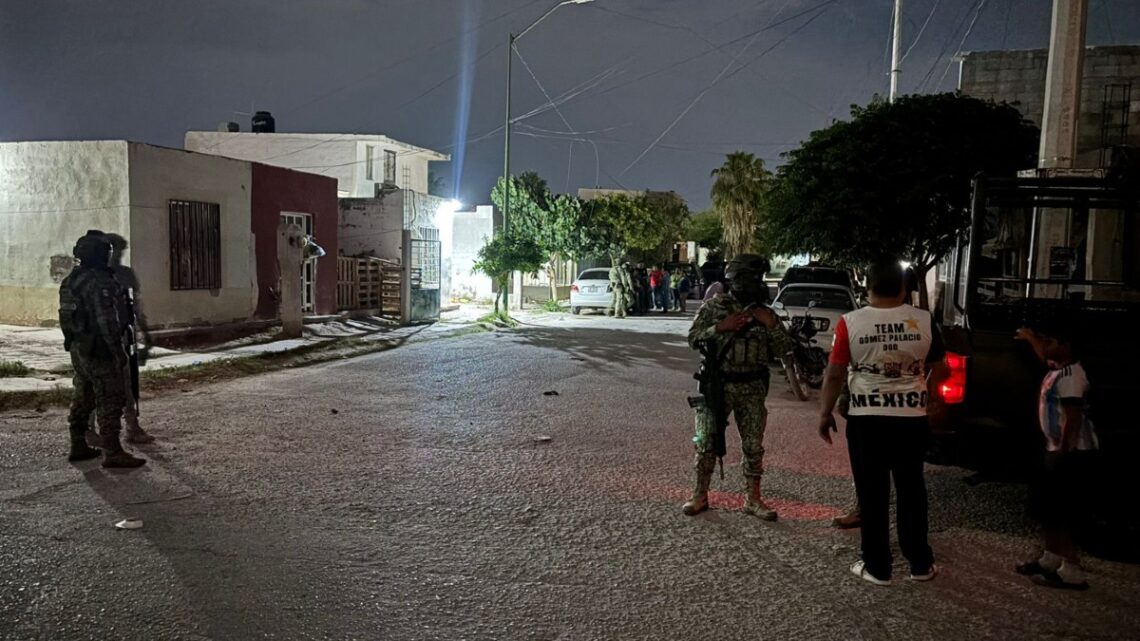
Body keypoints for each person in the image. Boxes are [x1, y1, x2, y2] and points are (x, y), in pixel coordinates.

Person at [817, 258, 946, 585]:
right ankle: (920, 563)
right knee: (912, 489)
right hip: (911, 420)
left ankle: (877, 567)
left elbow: (834, 373)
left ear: (867, 286)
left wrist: (824, 413)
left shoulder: (851, 322)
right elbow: (941, 367)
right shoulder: (925, 321)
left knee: (872, 492)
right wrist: (928, 397)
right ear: (904, 287)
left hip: (867, 420)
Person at [683, 254, 793, 520]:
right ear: (735, 279)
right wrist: (721, 327)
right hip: (718, 387)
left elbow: (784, 349)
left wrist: (772, 325)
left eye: (759, 278)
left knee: (754, 447)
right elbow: (693, 338)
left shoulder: (765, 312)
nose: (756, 282)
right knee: (706, 443)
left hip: (753, 388)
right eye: (750, 277)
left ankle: (753, 499)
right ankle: (700, 495)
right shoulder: (715, 307)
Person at [1013, 323, 1097, 590]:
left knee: (1063, 511)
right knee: (1048, 508)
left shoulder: (1072, 375)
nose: (1046, 346)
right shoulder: (1058, 369)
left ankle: (1072, 570)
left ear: (1067, 346)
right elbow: (1043, 355)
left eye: (1051, 341)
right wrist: (1030, 339)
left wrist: (1062, 449)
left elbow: (1072, 417)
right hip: (1055, 449)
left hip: (1070, 453)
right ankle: (1051, 558)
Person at [59, 231, 146, 468]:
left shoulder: (71, 280)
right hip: (100, 347)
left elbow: (66, 318)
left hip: (79, 347)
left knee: (83, 396)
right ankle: (112, 451)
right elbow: (106, 319)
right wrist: (116, 351)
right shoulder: (100, 281)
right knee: (111, 397)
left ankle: (78, 444)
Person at [105, 233, 155, 444]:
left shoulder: (125, 274)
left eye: (120, 250)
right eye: (114, 250)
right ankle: (92, 430)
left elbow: (136, 305)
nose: (117, 254)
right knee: (96, 384)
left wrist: (145, 332)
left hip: (122, 335)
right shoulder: (95, 275)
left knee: (127, 382)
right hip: (101, 337)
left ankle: (131, 425)